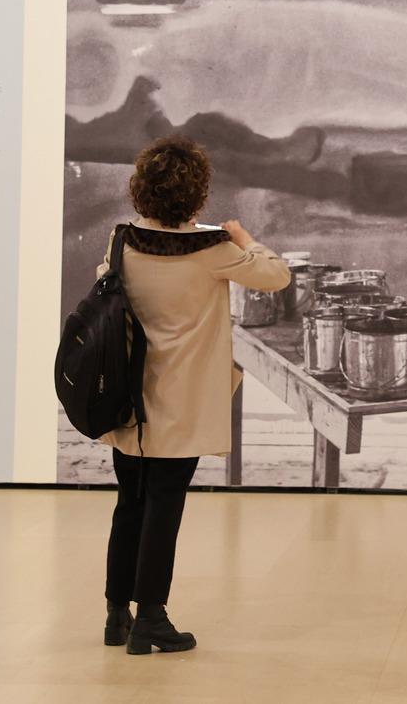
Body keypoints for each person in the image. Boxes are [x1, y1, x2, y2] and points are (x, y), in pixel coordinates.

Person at [98, 134, 290, 653]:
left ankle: (118, 616)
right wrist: (245, 238)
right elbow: (276, 276)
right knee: (165, 506)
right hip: (179, 405)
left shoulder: (121, 241)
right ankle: (151, 619)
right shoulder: (213, 250)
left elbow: (105, 288)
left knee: (129, 505)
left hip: (127, 401)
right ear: (197, 196)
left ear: (141, 189)